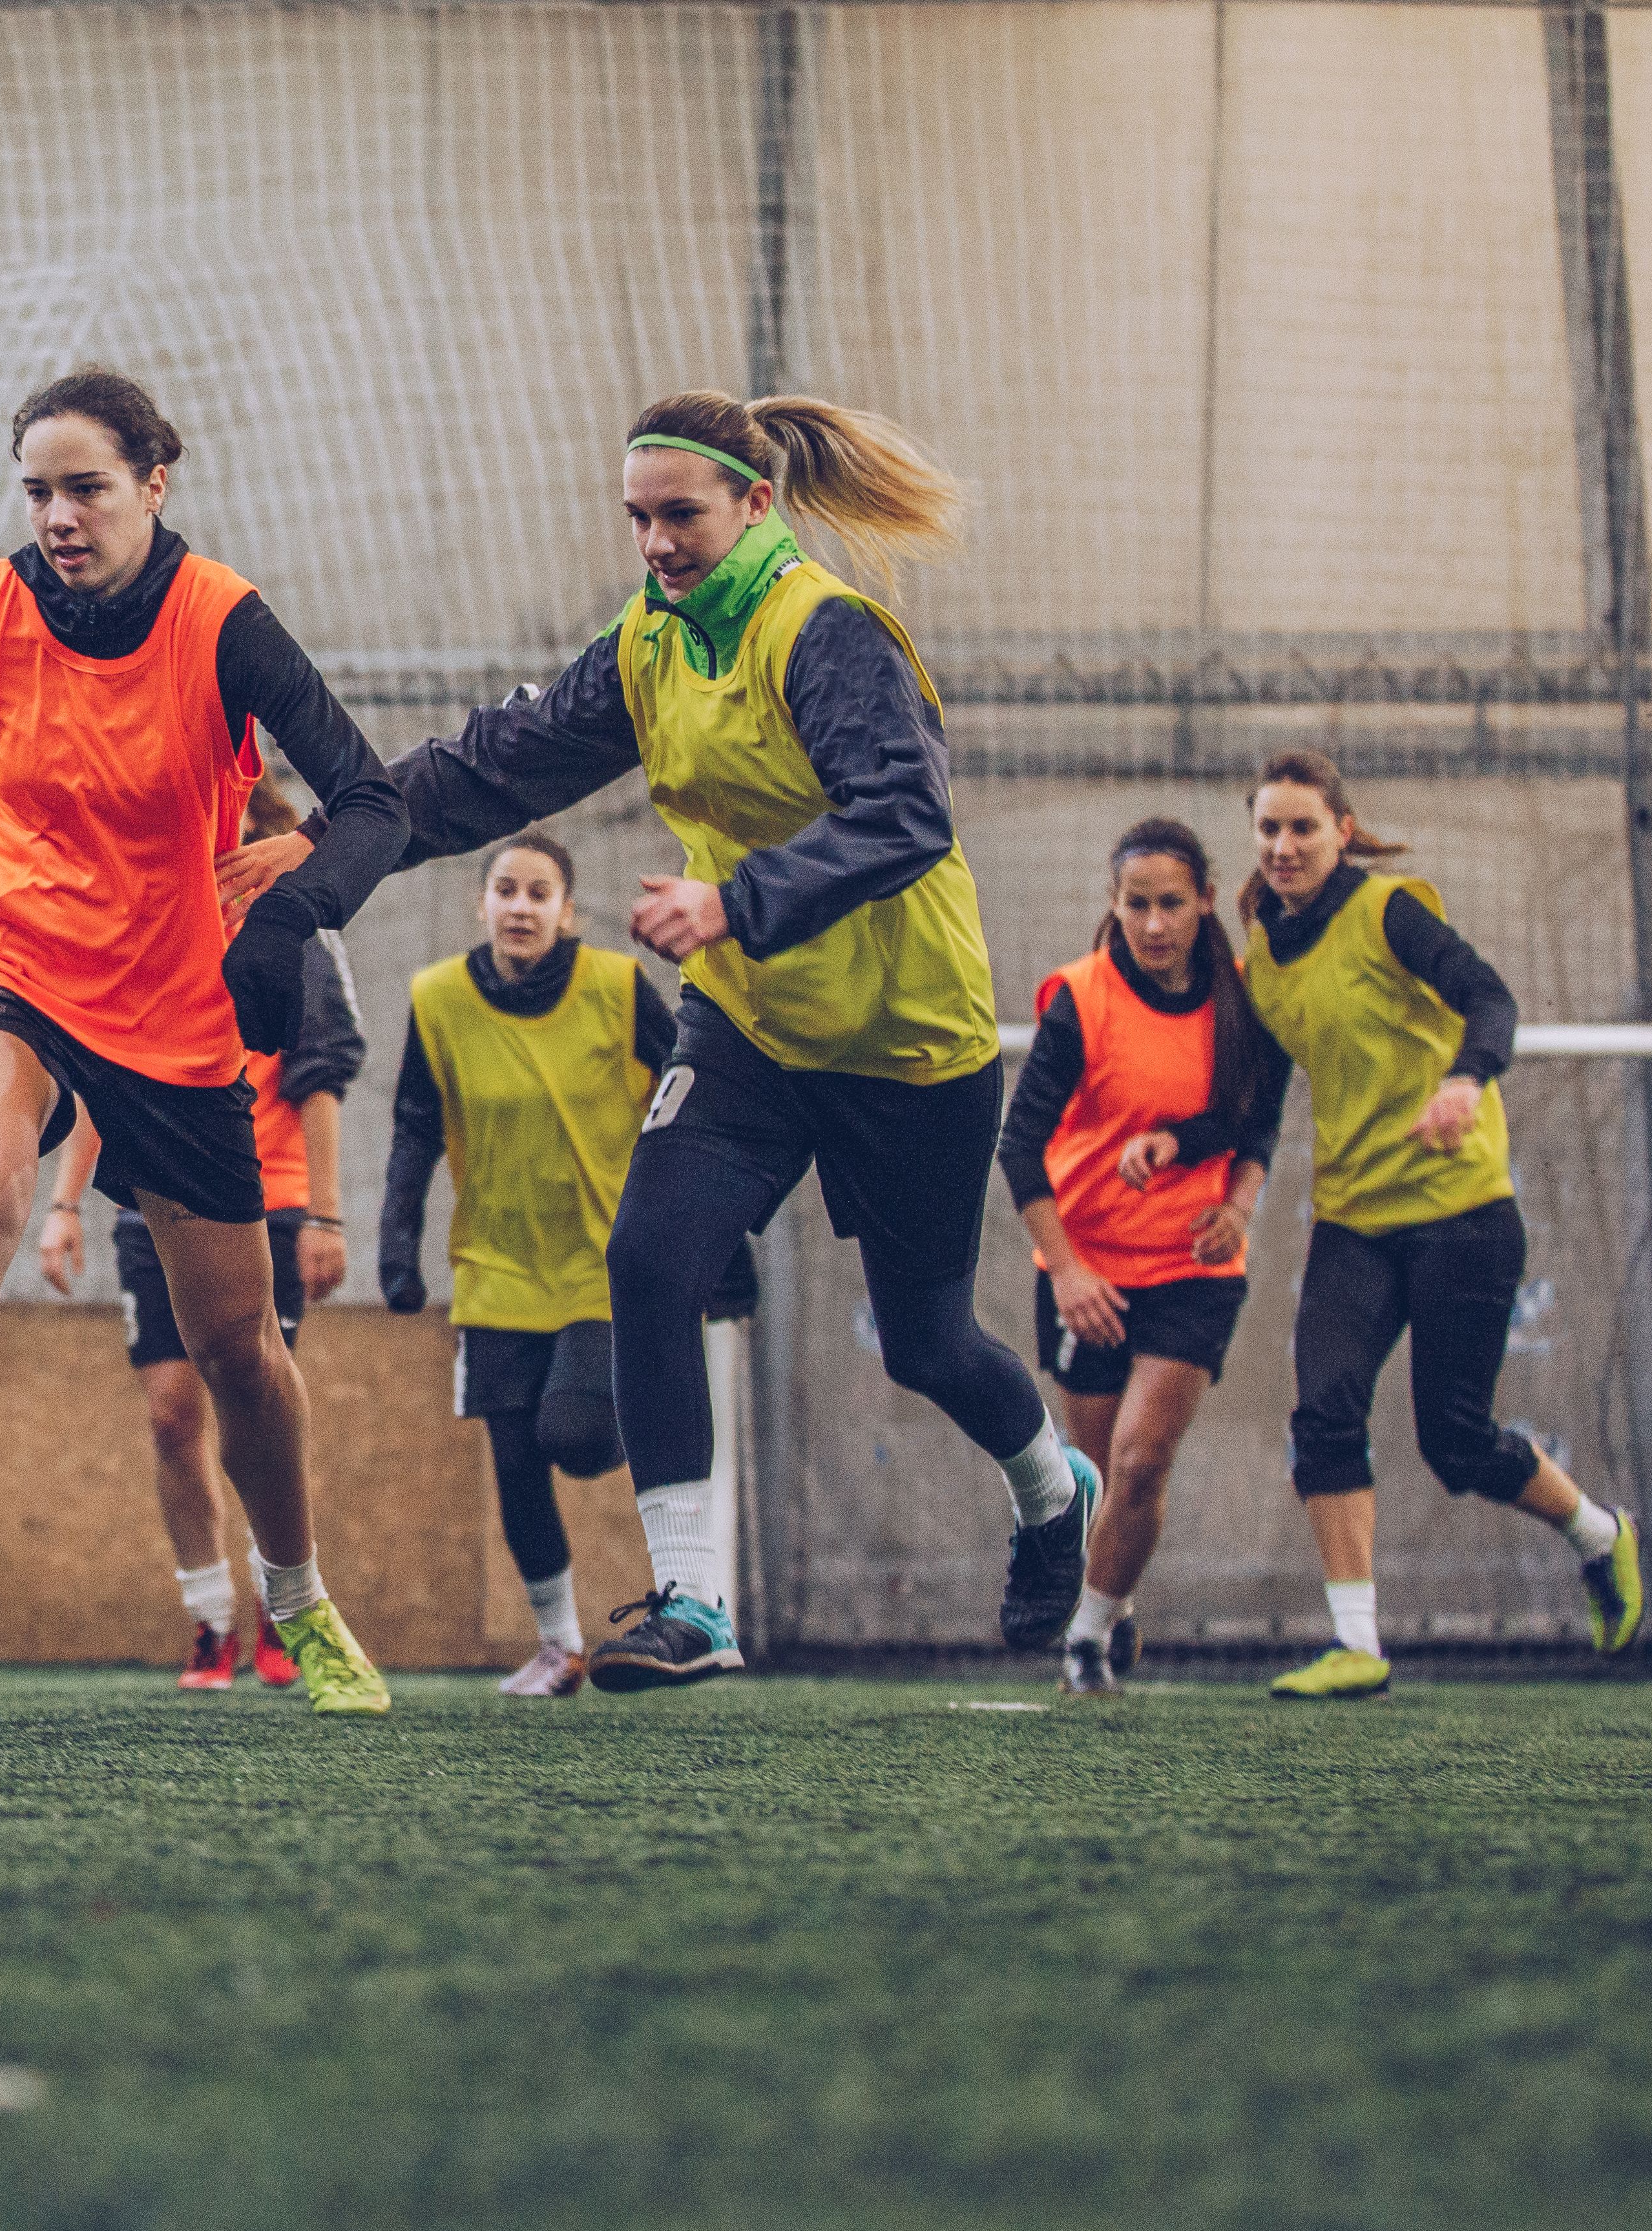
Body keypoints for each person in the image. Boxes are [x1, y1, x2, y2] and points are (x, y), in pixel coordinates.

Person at [231, 388, 1098, 1690]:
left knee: (928, 1342)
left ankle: (1049, 1489)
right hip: (751, 1022)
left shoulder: (830, 635)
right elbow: (489, 766)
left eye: (678, 514)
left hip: (907, 1040)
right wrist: (331, 836)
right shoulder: (648, 640)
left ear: (757, 505)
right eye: (636, 517)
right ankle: (694, 1598)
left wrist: (734, 898)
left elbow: (906, 814)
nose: (654, 543)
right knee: (649, 1254)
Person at [0, 364, 415, 1714]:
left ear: (153, 485)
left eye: (86, 487)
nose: (58, 515)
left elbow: (370, 799)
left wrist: (294, 885)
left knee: (237, 1343)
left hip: (167, 997)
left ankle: (298, 1598)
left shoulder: (223, 620)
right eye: (38, 490)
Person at [1213, 751, 1641, 1699]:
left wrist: (1461, 1079)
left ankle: (1598, 1535)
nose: (1283, 846)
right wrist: (1224, 1183)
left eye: (1302, 828)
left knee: (1455, 1442)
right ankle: (1356, 1643)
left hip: (1461, 1213)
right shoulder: (1260, 963)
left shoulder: (1390, 910)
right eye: (1269, 830)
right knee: (1322, 1411)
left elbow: (1490, 999)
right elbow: (1258, 1098)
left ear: (1342, 831)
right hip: (1352, 1220)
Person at [378, 834, 750, 1698]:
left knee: (574, 1433)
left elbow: (704, 1105)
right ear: (481, 903)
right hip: (496, 1270)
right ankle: (558, 1645)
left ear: (565, 911)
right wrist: (396, 1246)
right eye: (505, 888)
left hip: (604, 1266)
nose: (519, 905)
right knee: (515, 1462)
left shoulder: (618, 990)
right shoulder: (436, 1000)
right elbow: (412, 1127)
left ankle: (675, 1532)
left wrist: (721, 1242)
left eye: (538, 892)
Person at [35, 775, 367, 1690]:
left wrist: (326, 1213)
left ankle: (282, 1605)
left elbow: (322, 1070)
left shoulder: (289, 918)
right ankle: (209, 1615)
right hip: (152, 1190)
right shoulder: (138, 907)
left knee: (255, 1396)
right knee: (170, 1411)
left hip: (270, 1197)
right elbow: (105, 1070)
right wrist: (62, 1206)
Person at [995, 818, 1275, 1697]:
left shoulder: (1239, 998)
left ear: (1202, 900)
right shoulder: (1080, 999)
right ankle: (1111, 1605)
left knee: (1141, 1458)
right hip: (1089, 1272)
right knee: (1095, 1478)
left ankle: (1083, 1638)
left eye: (1170, 903)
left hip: (1191, 1267)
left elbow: (1255, 1118)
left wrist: (1237, 1203)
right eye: (1136, 905)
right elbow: (1019, 1146)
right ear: (1112, 907)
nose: (1154, 924)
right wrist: (1067, 1269)